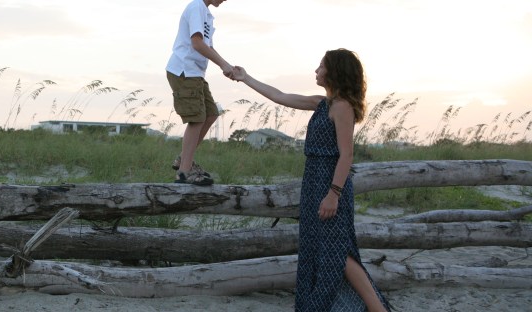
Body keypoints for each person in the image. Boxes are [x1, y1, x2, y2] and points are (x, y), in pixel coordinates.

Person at [232, 49, 390, 312]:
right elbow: (279, 96)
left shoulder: (342, 107)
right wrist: (245, 77)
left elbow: (346, 155)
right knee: (323, 249)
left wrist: (333, 194)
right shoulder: (323, 103)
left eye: (321, 66)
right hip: (314, 183)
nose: (316, 71)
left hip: (330, 183)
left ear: (335, 71)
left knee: (339, 251)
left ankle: (377, 309)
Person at [166, 0, 238, 186]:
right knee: (197, 118)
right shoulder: (196, 7)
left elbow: (208, 46)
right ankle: (184, 173)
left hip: (195, 72)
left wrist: (226, 65)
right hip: (184, 70)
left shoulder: (206, 14)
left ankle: (184, 160)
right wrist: (223, 65)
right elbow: (197, 43)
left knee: (211, 113)